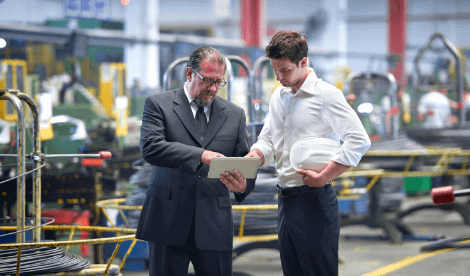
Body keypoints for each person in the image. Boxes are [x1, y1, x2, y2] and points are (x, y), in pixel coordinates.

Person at [246, 30, 371, 276]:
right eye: (275, 70)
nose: (279, 77)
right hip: (284, 200)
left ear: (303, 62)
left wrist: (324, 176)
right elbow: (269, 138)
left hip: (314, 201)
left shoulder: (326, 96)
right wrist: (256, 154)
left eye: (285, 70)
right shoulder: (278, 96)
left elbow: (359, 140)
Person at [136, 46, 256, 276]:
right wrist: (201, 155)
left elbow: (244, 163)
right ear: (189, 74)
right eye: (207, 80)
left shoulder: (235, 114)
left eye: (218, 82)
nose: (212, 89)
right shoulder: (159, 104)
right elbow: (151, 147)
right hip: (168, 220)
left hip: (214, 222)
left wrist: (243, 186)